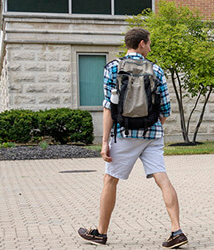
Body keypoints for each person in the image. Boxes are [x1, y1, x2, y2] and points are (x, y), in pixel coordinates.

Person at [77, 27, 188, 248]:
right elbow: (165, 110)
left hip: (123, 133)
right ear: (141, 44)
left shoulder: (112, 68)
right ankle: (177, 231)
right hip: (152, 133)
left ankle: (101, 233)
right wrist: (153, 126)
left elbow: (108, 107)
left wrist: (104, 141)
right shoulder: (156, 70)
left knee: (110, 180)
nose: (150, 46)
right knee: (162, 179)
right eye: (149, 43)